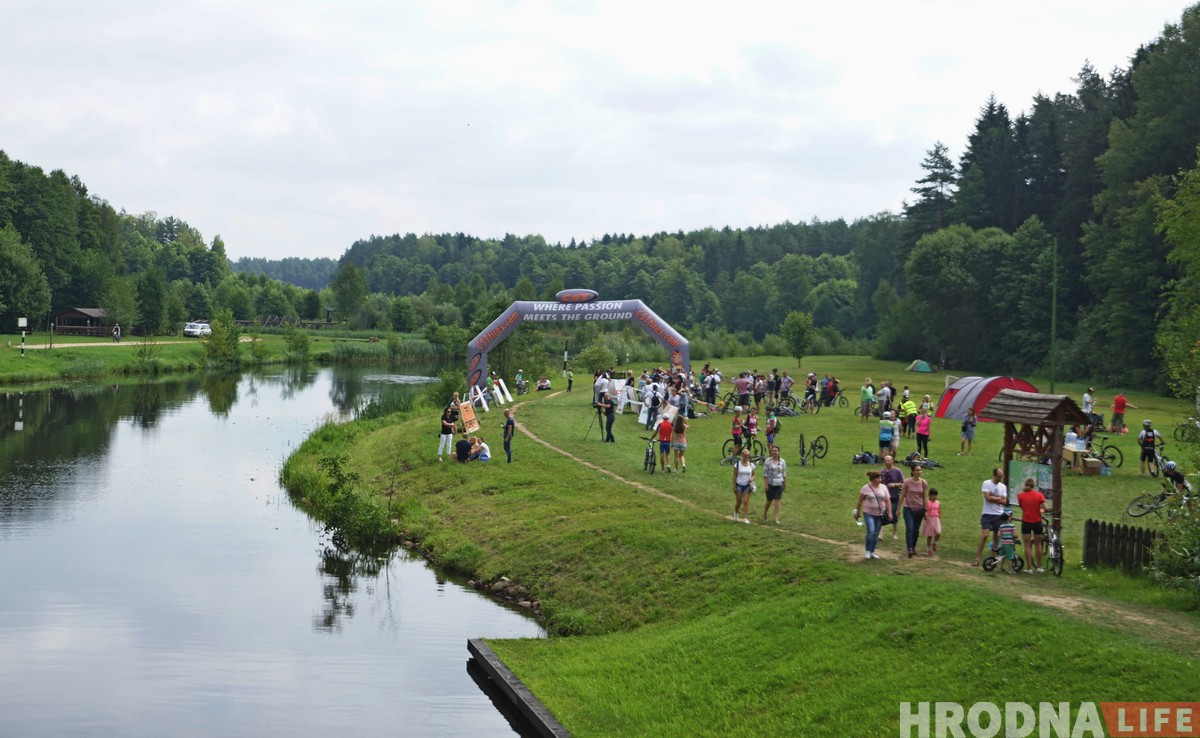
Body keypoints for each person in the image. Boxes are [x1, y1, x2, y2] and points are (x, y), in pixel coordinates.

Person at [973, 467, 1008, 567]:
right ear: (994, 475)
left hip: (998, 514)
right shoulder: (986, 483)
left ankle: (992, 559)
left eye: (1001, 476)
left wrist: (994, 498)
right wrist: (998, 499)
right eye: (998, 476)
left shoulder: (1003, 487)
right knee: (985, 535)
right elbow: (987, 498)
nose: (1000, 478)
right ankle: (977, 558)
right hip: (987, 514)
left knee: (996, 537)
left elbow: (1004, 501)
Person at [853, 470, 891, 559]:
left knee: (876, 533)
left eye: (880, 477)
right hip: (868, 513)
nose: (880, 479)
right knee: (871, 530)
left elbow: (887, 500)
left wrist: (890, 513)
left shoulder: (883, 487)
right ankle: (867, 551)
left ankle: (872, 552)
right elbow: (860, 501)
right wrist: (858, 512)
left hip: (879, 514)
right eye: (878, 478)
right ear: (873, 479)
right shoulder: (865, 488)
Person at [1017, 477, 1047, 573]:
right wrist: (1041, 511)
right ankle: (1039, 566)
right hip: (1037, 522)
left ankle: (1029, 568)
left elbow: (1021, 506)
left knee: (1027, 545)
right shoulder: (1039, 495)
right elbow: (1045, 508)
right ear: (1034, 485)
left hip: (1026, 522)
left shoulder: (1020, 495)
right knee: (1038, 544)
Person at [900, 464, 929, 557]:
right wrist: (897, 509)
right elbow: (902, 495)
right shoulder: (907, 482)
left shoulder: (923, 483)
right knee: (910, 528)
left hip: (919, 508)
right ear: (912, 471)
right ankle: (910, 549)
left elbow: (925, 497)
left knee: (916, 530)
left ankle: (913, 546)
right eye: (917, 470)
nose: (919, 472)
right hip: (908, 508)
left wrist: (926, 510)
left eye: (920, 470)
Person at [879, 454, 904, 541]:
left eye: (888, 460)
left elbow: (902, 483)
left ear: (892, 461)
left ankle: (894, 534)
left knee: (894, 515)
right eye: (885, 460)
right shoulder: (882, 472)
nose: (887, 462)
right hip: (884, 497)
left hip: (894, 496)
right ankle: (880, 534)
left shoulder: (897, 471)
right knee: (882, 514)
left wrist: (894, 484)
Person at [762, 445, 787, 524]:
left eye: (776, 451)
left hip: (779, 483)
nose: (774, 452)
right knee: (769, 501)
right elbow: (765, 474)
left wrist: (785, 484)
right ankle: (765, 513)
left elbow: (784, 473)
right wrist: (766, 484)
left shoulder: (782, 461)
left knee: (777, 500)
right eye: (773, 451)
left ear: (778, 452)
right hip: (770, 483)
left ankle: (776, 518)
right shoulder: (767, 461)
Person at [732, 449, 756, 524]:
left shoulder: (751, 465)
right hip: (739, 484)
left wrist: (751, 478)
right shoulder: (737, 465)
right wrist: (734, 486)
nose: (746, 457)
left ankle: (746, 518)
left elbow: (754, 474)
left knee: (745, 502)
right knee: (738, 502)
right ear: (742, 456)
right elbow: (734, 476)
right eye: (745, 455)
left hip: (747, 485)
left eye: (748, 455)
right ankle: (736, 513)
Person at [922, 488, 942, 555]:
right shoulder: (927, 502)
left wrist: (939, 519)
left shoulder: (938, 503)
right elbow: (925, 511)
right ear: (930, 495)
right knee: (929, 535)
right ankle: (929, 549)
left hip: (936, 519)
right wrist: (925, 515)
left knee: (938, 532)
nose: (934, 497)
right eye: (933, 495)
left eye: (935, 495)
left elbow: (939, 512)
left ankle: (934, 542)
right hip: (929, 519)